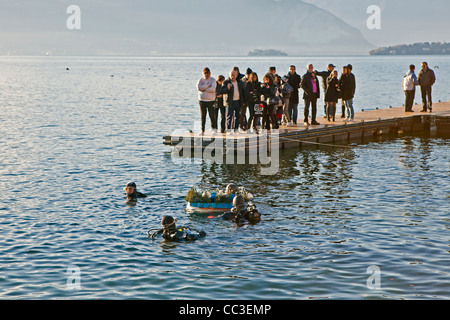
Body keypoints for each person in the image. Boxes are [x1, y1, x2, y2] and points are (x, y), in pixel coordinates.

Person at [220, 70, 245, 134]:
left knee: (237, 116)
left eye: (234, 75)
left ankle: (236, 129)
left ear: (236, 75)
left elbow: (242, 92)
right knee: (229, 117)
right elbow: (221, 91)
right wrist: (227, 89)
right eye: (231, 75)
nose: (232, 77)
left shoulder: (239, 82)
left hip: (238, 101)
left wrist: (243, 101)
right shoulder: (226, 82)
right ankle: (228, 130)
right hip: (230, 102)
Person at [197, 67, 217, 135]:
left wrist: (204, 89)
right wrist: (206, 86)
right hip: (202, 101)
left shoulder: (213, 80)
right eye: (205, 73)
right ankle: (202, 130)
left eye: (207, 73)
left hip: (210, 100)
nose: (206, 75)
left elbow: (213, 89)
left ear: (210, 73)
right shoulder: (200, 80)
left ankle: (213, 129)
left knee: (212, 115)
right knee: (203, 116)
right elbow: (199, 88)